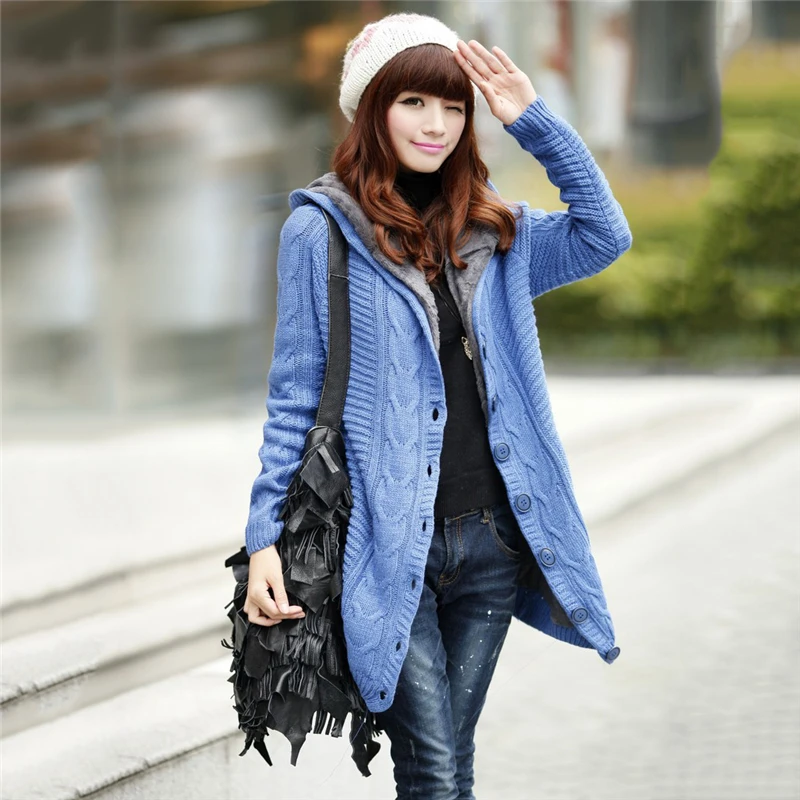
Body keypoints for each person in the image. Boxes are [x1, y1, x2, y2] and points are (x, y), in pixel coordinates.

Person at [242, 12, 632, 800]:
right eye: (414, 102)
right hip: (389, 548)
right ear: (373, 108)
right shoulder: (321, 234)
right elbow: (293, 398)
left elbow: (604, 234)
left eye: (454, 107)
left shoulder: (495, 231)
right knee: (435, 767)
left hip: (491, 542)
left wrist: (533, 120)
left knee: (450, 760)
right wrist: (262, 540)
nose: (437, 125)